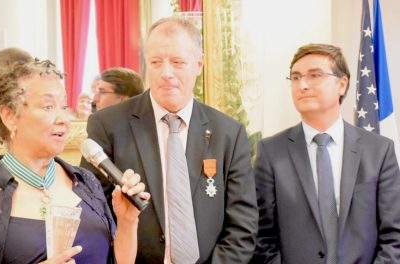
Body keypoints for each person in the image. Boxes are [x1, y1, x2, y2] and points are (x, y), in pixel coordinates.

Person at [81, 16, 257, 263]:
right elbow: (92, 213)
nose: (166, 73)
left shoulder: (228, 133)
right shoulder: (109, 125)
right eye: (155, 62)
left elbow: (242, 224)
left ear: (199, 64)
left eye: (177, 62)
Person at [0, 60, 150, 264]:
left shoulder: (86, 183)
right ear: (9, 116)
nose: (64, 119)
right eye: (48, 106)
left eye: (64, 107)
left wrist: (127, 221)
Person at [252, 43, 400, 263]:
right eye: (295, 77)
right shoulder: (271, 152)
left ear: (342, 84)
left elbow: (394, 235)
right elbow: (262, 236)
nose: (302, 85)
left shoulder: (379, 151)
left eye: (315, 75)